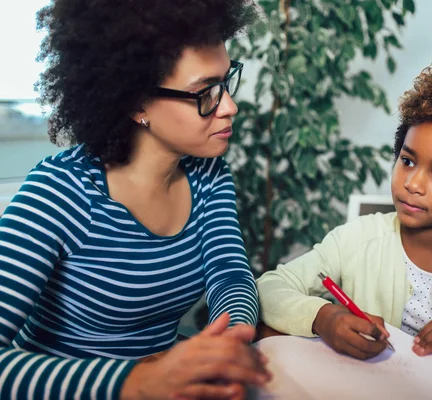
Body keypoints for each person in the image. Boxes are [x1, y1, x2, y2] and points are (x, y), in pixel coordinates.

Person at [0, 0, 271, 399]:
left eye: (226, 82)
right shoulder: (60, 192)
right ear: (136, 103)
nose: (229, 107)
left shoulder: (208, 177)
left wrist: (231, 338)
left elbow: (229, 274)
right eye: (205, 93)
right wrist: (136, 382)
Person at [257, 61, 432, 375]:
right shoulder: (356, 239)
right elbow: (269, 288)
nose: (412, 183)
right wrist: (323, 317)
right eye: (407, 160)